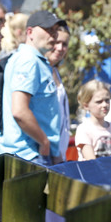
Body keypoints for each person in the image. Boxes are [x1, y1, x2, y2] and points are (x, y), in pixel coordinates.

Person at [0, 10, 66, 166]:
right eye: (49, 30)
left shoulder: (32, 60)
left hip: (31, 155)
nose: (54, 35)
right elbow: (19, 111)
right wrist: (44, 142)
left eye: (56, 30)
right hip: (30, 155)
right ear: (30, 32)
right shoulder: (28, 61)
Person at [46, 24, 73, 161]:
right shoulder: (40, 70)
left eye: (64, 44)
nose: (60, 48)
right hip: (46, 154)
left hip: (58, 154)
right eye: (56, 42)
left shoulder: (55, 70)